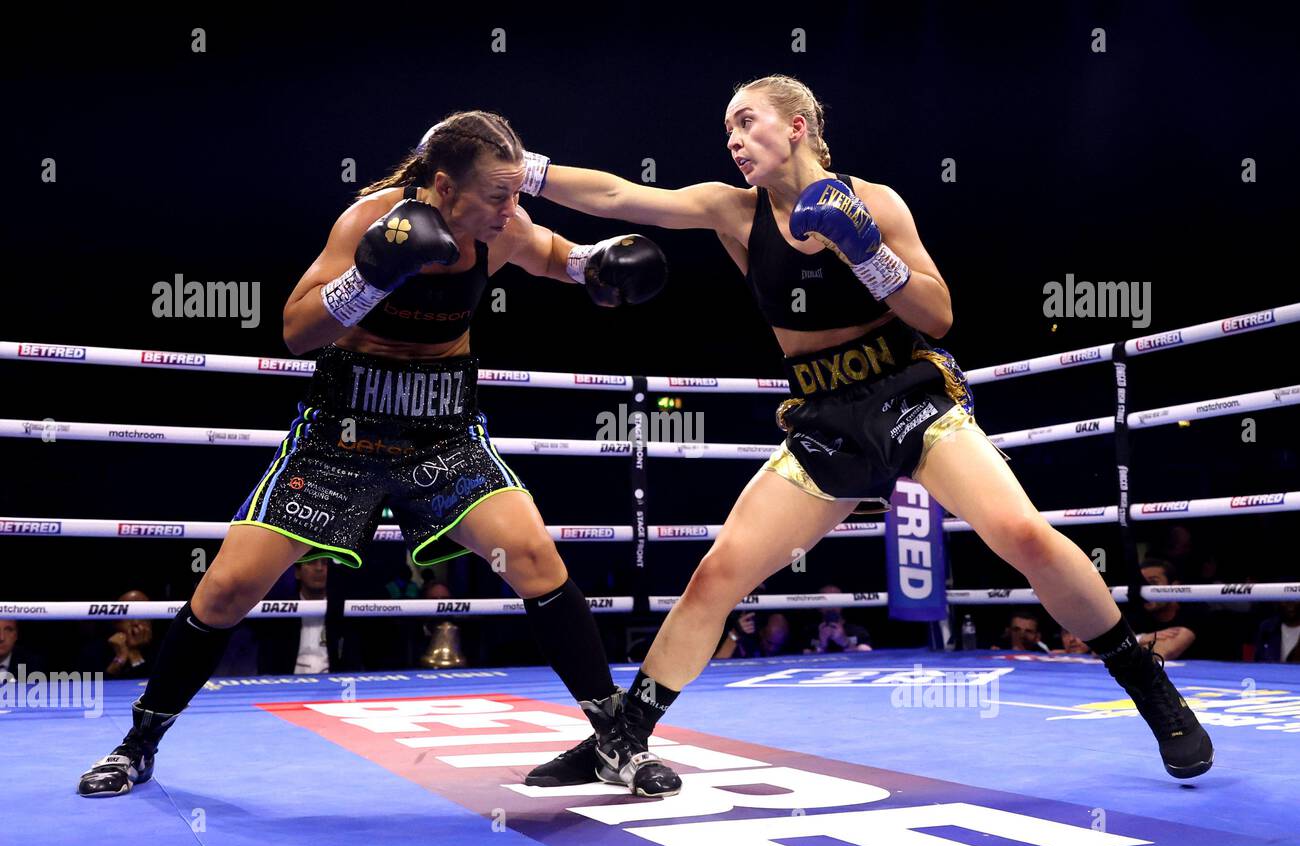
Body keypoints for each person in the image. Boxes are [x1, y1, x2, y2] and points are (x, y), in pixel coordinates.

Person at [526, 74, 1213, 790]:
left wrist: (866, 252)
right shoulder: (733, 212)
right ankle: (622, 734)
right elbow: (616, 196)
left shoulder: (875, 201)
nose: (731, 139)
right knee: (718, 574)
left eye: (745, 121)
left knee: (1025, 535)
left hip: (907, 394)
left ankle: (1146, 680)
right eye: (725, 129)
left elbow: (938, 315)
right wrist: (524, 170)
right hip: (824, 417)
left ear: (796, 126)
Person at [77, 110, 674, 798]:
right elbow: (297, 332)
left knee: (535, 558)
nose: (513, 209)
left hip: (442, 430)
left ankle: (615, 741)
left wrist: (595, 265)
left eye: (516, 196)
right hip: (343, 431)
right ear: (444, 188)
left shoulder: (501, 228)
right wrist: (373, 276)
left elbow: (550, 253)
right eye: (498, 196)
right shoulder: (366, 221)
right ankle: (137, 745)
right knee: (230, 586)